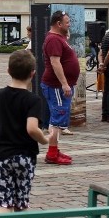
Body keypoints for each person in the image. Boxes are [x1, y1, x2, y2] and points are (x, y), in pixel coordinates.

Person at [0, 50, 49, 218]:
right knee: (22, 203)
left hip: (2, 155)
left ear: (8, 70)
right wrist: (44, 139)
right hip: (25, 156)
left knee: (4, 203)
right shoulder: (33, 100)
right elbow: (32, 129)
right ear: (32, 73)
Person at [40, 10, 78, 165]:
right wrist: (64, 84)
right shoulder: (54, 39)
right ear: (59, 24)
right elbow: (55, 63)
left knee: (57, 119)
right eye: (67, 22)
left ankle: (54, 149)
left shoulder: (59, 38)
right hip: (56, 86)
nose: (69, 24)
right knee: (57, 119)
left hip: (60, 86)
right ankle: (51, 154)